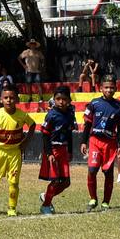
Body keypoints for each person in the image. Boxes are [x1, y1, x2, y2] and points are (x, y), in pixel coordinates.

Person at [0, 84, 36, 216]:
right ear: (1, 100)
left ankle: (12, 208)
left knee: (13, 182)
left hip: (15, 153)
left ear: (17, 99)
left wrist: (25, 142)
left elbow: (33, 125)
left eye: (12, 97)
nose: (9, 100)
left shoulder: (22, 115)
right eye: (6, 98)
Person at [81, 75, 120, 211]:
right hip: (95, 141)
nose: (109, 90)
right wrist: (83, 142)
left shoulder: (118, 106)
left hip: (110, 143)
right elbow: (87, 124)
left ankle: (106, 201)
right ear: (101, 88)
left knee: (108, 172)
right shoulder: (94, 103)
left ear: (116, 89)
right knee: (92, 170)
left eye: (112, 88)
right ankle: (93, 198)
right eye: (106, 87)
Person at [38, 86, 76, 215]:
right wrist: (49, 153)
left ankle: (47, 195)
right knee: (55, 180)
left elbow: (69, 133)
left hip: (63, 150)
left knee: (66, 182)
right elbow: (44, 134)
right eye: (58, 99)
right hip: (52, 150)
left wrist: (70, 151)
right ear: (54, 100)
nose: (61, 102)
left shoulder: (70, 114)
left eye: (64, 99)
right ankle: (46, 205)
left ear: (69, 100)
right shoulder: (51, 115)